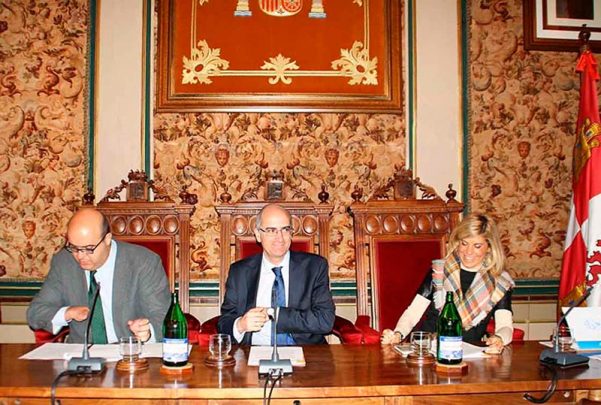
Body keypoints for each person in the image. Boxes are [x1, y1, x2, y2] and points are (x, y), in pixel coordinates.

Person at [27, 208, 170, 343]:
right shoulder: (64, 262)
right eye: (74, 248)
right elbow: (35, 313)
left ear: (107, 239)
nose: (80, 256)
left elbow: (164, 317)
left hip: (129, 353)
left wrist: (148, 332)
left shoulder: (143, 262)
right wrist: (67, 313)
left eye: (89, 248)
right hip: (80, 355)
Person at [381, 213, 515, 352]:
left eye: (477, 246)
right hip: (429, 348)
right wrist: (398, 334)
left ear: (489, 247)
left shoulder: (500, 281)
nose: (468, 252)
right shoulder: (439, 270)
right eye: (464, 243)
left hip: (469, 352)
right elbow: (413, 312)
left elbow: (505, 325)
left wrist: (499, 338)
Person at [218, 203, 335, 345]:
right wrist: (240, 325)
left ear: (291, 233)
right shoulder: (239, 272)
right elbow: (224, 322)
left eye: (285, 229)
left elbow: (325, 320)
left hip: (306, 352)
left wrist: (276, 314)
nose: (280, 237)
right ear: (258, 234)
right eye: (271, 230)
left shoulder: (315, 267)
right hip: (254, 352)